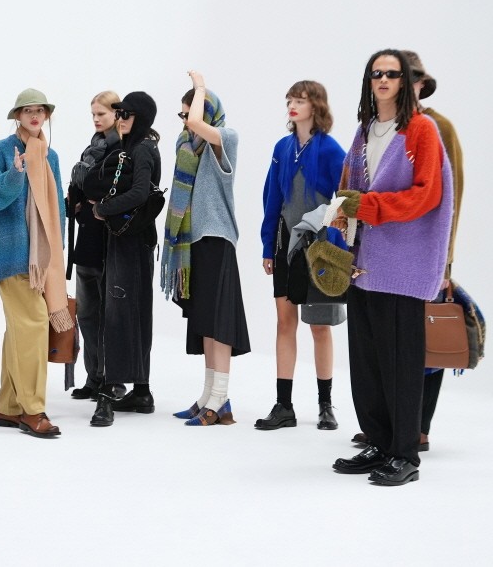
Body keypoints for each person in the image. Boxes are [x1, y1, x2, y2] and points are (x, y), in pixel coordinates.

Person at [331, 49, 452, 486]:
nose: (383, 80)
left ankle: (404, 455)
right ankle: (380, 444)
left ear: (404, 81)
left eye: (392, 73)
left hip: (402, 265)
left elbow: (427, 194)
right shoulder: (364, 130)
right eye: (376, 73)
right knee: (366, 362)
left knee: (400, 362)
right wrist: (342, 210)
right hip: (362, 263)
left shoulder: (421, 129)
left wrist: (367, 206)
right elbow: (350, 185)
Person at [0, 88, 71, 438]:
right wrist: (14, 175)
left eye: (40, 111)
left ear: (46, 116)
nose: (34, 116)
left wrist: (55, 257)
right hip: (11, 254)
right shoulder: (3, 151)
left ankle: (9, 406)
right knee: (33, 324)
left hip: (40, 259)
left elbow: (57, 210)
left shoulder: (50, 156)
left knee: (20, 329)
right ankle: (33, 410)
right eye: (27, 110)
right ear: (17, 116)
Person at [161, 71, 250, 426]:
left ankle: (221, 398)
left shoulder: (225, 138)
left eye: (190, 113)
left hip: (216, 237)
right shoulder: (188, 148)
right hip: (193, 240)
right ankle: (210, 397)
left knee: (218, 321)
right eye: (182, 115)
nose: (186, 121)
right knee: (205, 323)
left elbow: (199, 122)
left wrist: (200, 86)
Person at [256, 81, 345, 431]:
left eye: (301, 100)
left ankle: (325, 405)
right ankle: (284, 406)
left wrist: (340, 243)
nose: (293, 105)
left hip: (320, 249)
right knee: (284, 322)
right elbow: (271, 200)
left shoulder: (330, 149)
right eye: (290, 100)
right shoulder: (283, 147)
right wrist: (268, 246)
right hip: (285, 246)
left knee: (320, 326)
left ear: (316, 106)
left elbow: (345, 199)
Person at [87, 92, 162, 427]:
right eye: (119, 113)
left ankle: (107, 394)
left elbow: (141, 192)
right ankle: (142, 390)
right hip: (134, 239)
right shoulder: (132, 146)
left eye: (127, 114)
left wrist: (103, 209)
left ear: (141, 117)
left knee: (117, 313)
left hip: (132, 240)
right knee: (134, 311)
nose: (121, 119)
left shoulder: (142, 148)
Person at [67, 91, 125, 402]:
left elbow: (110, 190)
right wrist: (76, 201)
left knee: (110, 316)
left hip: (110, 243)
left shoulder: (123, 149)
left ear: (117, 113)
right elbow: (82, 188)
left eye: (101, 113)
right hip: (87, 240)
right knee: (87, 314)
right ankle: (94, 377)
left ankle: (112, 379)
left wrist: (92, 193)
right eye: (93, 114)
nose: (96, 119)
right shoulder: (93, 147)